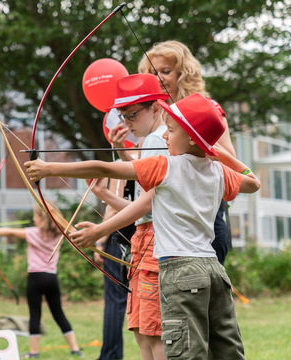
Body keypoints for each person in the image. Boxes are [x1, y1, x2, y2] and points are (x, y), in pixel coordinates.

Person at [25, 93, 260, 359]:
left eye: (171, 131)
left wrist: (49, 168)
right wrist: (215, 151)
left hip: (180, 270)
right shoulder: (218, 171)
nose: (166, 137)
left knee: (186, 353)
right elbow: (252, 182)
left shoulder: (165, 166)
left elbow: (106, 169)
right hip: (214, 271)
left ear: (193, 139)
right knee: (228, 350)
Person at [93, 73, 170, 360]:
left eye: (132, 115)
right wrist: (105, 195)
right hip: (143, 239)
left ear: (156, 109)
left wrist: (99, 231)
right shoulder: (151, 140)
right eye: (123, 116)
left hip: (153, 243)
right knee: (141, 328)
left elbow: (148, 206)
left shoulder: (154, 139)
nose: (127, 123)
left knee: (153, 332)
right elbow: (141, 204)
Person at [138, 40, 236, 265]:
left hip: (203, 220)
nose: (159, 78)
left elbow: (229, 161)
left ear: (184, 74)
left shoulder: (207, 109)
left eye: (166, 71)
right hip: (166, 226)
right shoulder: (152, 117)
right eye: (152, 74)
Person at [0, 201, 82, 359]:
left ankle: (33, 352)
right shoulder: (60, 233)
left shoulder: (33, 233)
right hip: (51, 278)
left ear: (42, 218)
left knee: (35, 315)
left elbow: (10, 233)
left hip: (35, 278)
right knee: (59, 314)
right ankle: (75, 349)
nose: (33, 219)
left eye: (35, 215)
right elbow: (71, 230)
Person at [94, 179, 135, 360]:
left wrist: (100, 240)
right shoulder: (148, 159)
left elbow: (112, 208)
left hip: (119, 240)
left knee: (115, 301)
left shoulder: (121, 167)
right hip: (141, 239)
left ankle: (110, 356)